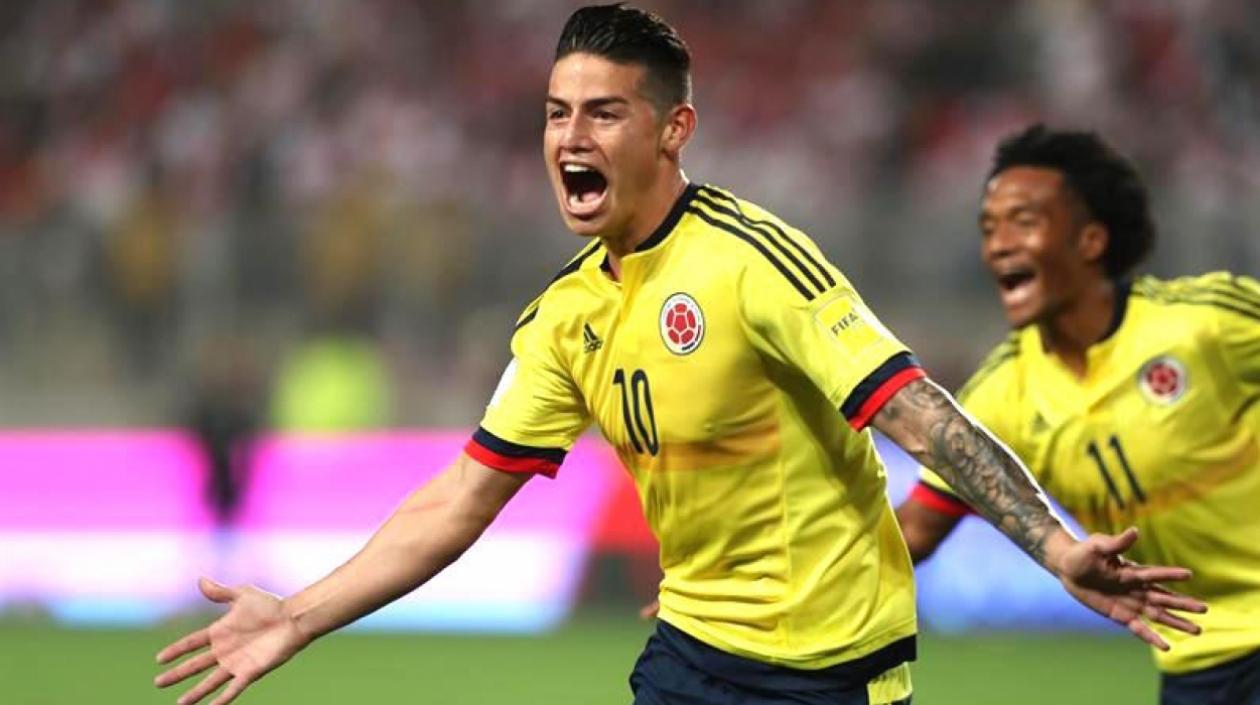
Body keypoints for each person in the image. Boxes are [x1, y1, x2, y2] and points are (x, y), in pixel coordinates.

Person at [154, 8, 1205, 705]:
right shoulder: (566, 316)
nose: (573, 136)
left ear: (674, 130)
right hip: (691, 656)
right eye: (558, 113)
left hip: (832, 668)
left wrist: (1056, 546)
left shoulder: (753, 264)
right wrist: (295, 615)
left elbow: (915, 410)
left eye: (606, 112)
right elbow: (459, 502)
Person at [897, 124, 1260, 705]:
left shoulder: (1205, 325)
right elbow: (912, 532)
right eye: (989, 228)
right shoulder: (999, 396)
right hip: (1196, 662)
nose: (999, 244)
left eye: (1025, 222)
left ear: (1091, 240)